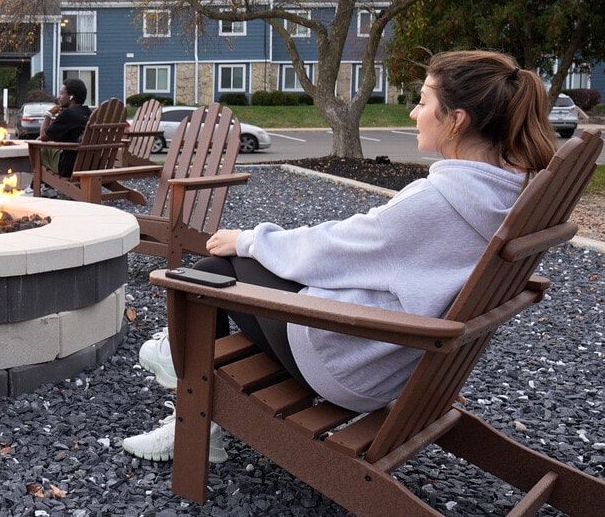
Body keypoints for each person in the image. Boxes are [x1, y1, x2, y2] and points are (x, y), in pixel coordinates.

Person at [122, 50, 557, 463]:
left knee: (208, 274)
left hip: (349, 364)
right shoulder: (512, 195)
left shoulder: (436, 203)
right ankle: (178, 365)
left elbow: (332, 249)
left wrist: (249, 240)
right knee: (235, 268)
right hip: (401, 359)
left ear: (457, 120)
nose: (413, 112)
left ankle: (186, 404)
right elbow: (362, 252)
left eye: (423, 101)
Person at [38, 78, 91, 178]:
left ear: (71, 97)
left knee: (37, 148)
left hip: (69, 167)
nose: (58, 97)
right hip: (89, 165)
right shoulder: (89, 113)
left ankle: (37, 183)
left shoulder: (68, 114)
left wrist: (48, 115)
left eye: (61, 94)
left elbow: (43, 137)